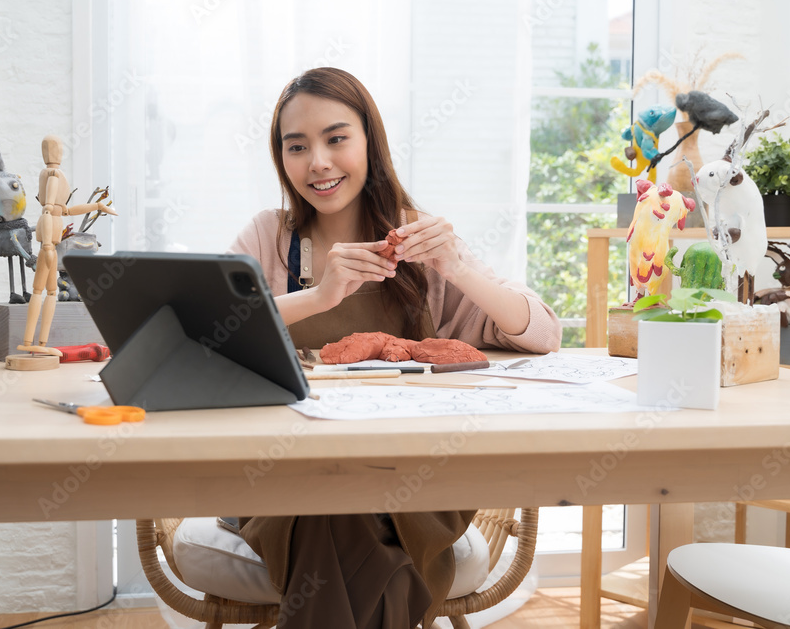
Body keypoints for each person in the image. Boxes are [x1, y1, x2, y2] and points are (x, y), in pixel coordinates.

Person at [229, 67, 561, 629]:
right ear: (280, 158)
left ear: (370, 143)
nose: (319, 163)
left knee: (339, 513)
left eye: (337, 138)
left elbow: (542, 332)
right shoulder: (270, 235)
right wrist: (320, 297)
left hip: (416, 476)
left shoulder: (419, 239)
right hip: (285, 471)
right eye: (297, 146)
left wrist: (455, 267)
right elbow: (218, 333)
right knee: (340, 514)